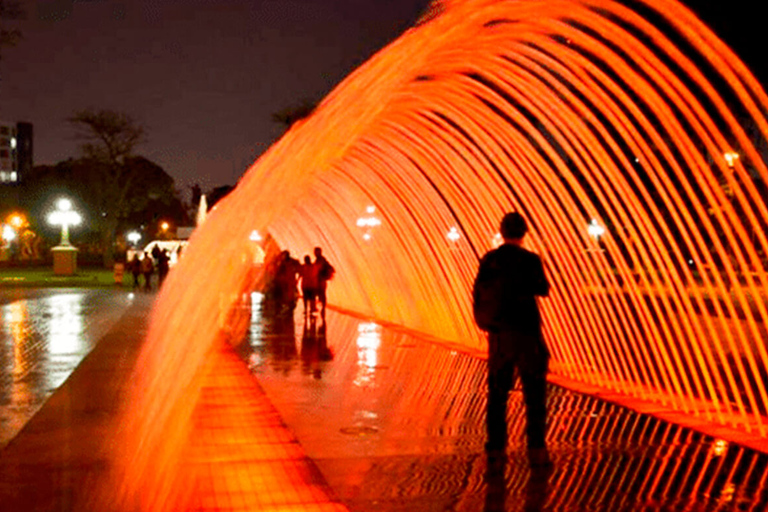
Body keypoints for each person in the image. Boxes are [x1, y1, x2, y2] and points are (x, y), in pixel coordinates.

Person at [473, 212, 551, 466]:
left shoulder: (490, 259)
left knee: (497, 394)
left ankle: (495, 446)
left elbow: (478, 292)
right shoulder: (530, 259)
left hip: (499, 337)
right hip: (528, 334)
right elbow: (543, 289)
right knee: (534, 394)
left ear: (502, 232)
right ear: (524, 233)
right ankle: (536, 447)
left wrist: (485, 322)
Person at [313, 247, 335, 322]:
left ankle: (322, 308)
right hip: (320, 280)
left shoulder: (321, 260)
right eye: (315, 252)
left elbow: (318, 268)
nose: (315, 253)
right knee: (321, 294)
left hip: (320, 280)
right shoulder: (321, 260)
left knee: (320, 293)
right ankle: (321, 307)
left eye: (316, 252)